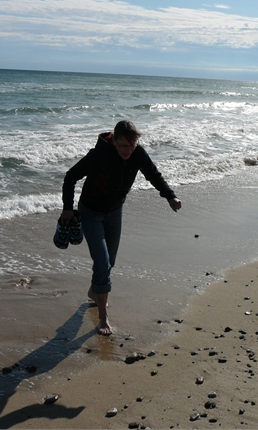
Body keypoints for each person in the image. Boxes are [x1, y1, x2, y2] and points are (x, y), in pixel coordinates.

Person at [60, 120, 181, 335]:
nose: (128, 150)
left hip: (115, 212)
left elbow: (153, 174)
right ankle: (103, 318)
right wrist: (68, 208)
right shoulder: (98, 155)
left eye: (132, 145)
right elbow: (71, 176)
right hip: (91, 212)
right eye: (124, 145)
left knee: (109, 262)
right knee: (103, 262)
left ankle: (95, 291)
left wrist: (170, 196)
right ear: (114, 141)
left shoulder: (137, 153)